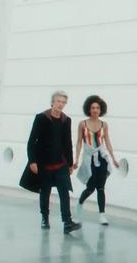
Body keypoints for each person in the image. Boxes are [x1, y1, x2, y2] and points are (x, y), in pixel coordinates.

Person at [19, 91, 82, 234]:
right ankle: (45, 218)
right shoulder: (41, 118)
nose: (60, 104)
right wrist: (32, 161)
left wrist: (70, 164)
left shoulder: (66, 120)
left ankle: (67, 222)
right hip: (44, 164)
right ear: (52, 102)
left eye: (63, 102)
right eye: (58, 101)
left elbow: (68, 143)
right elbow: (31, 141)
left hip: (61, 164)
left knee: (64, 192)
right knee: (45, 192)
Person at [73, 95, 121, 225]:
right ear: (89, 109)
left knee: (101, 187)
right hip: (89, 158)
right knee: (90, 187)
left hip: (102, 157)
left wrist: (113, 159)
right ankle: (79, 204)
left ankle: (102, 215)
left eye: (98, 108)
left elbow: (108, 141)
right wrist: (76, 159)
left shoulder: (104, 124)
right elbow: (78, 142)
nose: (95, 110)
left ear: (101, 110)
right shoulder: (82, 124)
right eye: (93, 107)